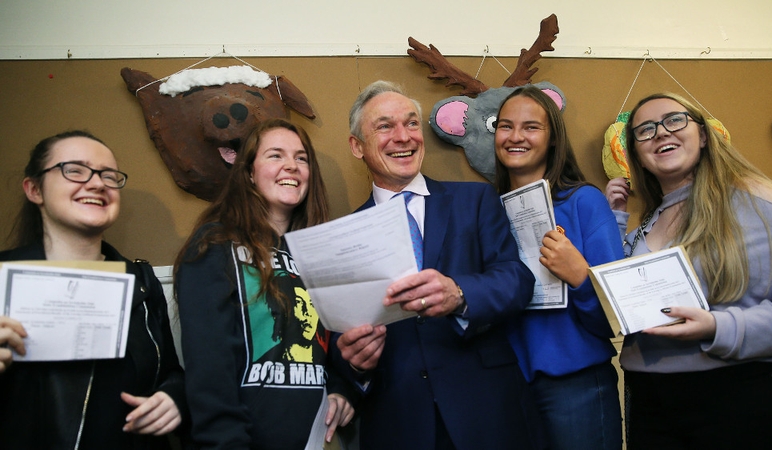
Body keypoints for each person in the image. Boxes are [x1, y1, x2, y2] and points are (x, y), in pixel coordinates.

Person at [334, 80, 542, 450]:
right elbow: (338, 335)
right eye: (384, 126)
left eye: (412, 123)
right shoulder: (345, 236)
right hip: (398, 422)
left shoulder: (475, 200)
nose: (404, 137)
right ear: (356, 146)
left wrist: (460, 294)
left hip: (488, 413)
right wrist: (354, 364)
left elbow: (516, 279)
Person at [605, 93, 772, 449]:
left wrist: (717, 326)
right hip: (650, 403)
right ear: (637, 157)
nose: (661, 133)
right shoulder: (644, 229)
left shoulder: (758, 205)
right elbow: (619, 299)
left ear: (705, 136)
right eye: (645, 130)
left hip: (740, 399)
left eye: (674, 120)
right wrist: (615, 219)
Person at [174, 118, 356, 449]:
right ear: (248, 173)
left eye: (301, 158)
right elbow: (209, 369)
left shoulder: (319, 254)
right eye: (275, 155)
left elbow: (331, 346)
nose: (292, 166)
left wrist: (340, 388)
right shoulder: (215, 244)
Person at [0, 130, 188, 449]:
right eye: (74, 170)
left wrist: (174, 398)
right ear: (34, 189)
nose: (97, 183)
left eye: (109, 175)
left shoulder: (141, 281)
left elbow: (171, 373)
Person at [494, 86, 623, 449]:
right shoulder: (486, 211)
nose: (516, 136)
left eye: (531, 127)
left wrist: (581, 277)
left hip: (577, 384)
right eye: (505, 126)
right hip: (509, 386)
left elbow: (615, 318)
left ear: (553, 139)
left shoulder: (585, 202)